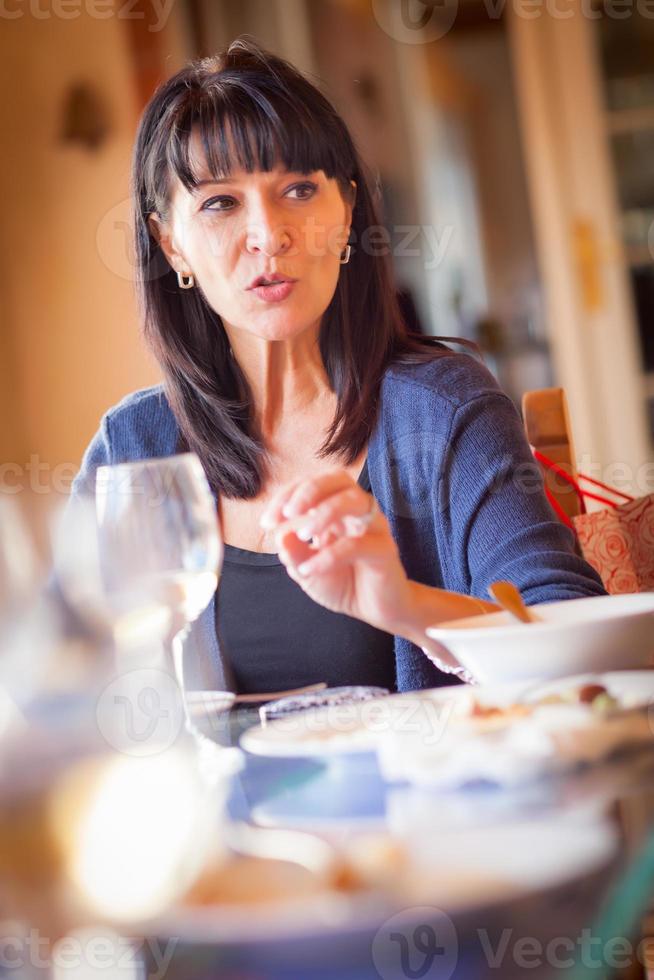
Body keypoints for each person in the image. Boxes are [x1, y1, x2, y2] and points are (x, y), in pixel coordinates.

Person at [71, 37, 605, 695]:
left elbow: (577, 641)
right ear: (170, 243)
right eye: (220, 202)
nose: (269, 235)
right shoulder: (131, 452)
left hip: (428, 798)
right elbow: (63, 673)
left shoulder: (444, 414)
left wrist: (405, 605)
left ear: (347, 212)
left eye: (298, 189)